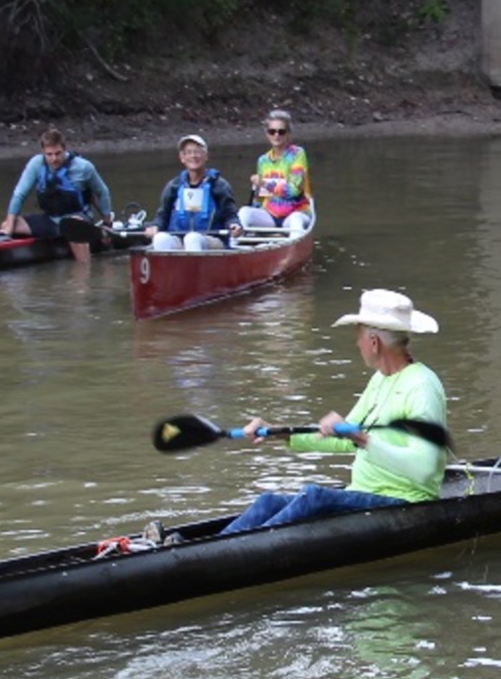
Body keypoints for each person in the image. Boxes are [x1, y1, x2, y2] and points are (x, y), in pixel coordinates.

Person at [220, 289, 450, 534]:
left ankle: (231, 552)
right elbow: (344, 440)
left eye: (358, 335)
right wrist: (282, 433)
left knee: (313, 496)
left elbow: (424, 470)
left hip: (407, 504)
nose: (356, 343)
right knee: (269, 502)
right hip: (364, 496)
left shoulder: (422, 387)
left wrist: (360, 438)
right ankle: (205, 545)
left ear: (374, 343)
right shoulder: (380, 380)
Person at [0, 128, 116, 261]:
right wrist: (9, 227)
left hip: (78, 219)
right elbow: (19, 194)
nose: (54, 159)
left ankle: (83, 273)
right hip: (51, 219)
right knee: (9, 224)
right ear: (43, 152)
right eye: (49, 154)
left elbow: (102, 192)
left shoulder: (84, 167)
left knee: (73, 226)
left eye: (58, 153)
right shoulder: (36, 164)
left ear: (64, 149)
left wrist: (107, 224)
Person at [149, 132, 240, 251]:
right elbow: (162, 215)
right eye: (188, 152)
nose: (193, 156)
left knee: (192, 238)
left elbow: (230, 215)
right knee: (160, 238)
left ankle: (195, 269)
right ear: (182, 158)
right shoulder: (174, 186)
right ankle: (166, 269)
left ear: (206, 156)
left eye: (197, 151)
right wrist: (156, 226)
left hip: (212, 240)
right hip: (180, 238)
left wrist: (234, 225)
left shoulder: (219, 185)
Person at [238, 108, 313, 234]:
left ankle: (294, 248)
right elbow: (262, 197)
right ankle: (235, 247)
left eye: (281, 132)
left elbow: (294, 190)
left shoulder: (297, 154)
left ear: (288, 133)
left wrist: (266, 184)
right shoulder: (263, 160)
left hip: (295, 213)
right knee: (244, 212)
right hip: (270, 214)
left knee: (296, 221)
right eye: (272, 131)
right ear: (267, 134)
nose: (276, 135)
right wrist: (257, 198)